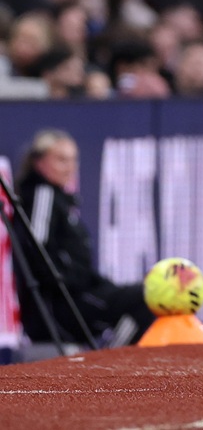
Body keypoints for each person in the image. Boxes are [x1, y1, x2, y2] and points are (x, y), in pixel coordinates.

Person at [10, 129, 155, 348]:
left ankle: (108, 360)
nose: (69, 167)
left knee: (146, 294)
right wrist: (68, 284)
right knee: (147, 297)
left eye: (73, 160)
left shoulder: (59, 198)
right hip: (59, 307)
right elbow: (36, 250)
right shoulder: (43, 194)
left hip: (76, 295)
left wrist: (97, 285)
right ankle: (108, 364)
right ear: (38, 162)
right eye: (60, 159)